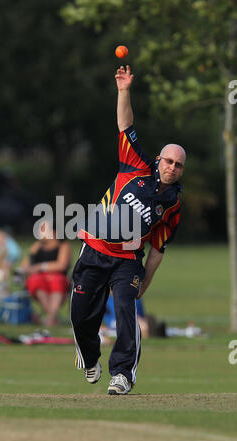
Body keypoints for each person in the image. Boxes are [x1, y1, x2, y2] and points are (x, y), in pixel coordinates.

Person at [70, 65, 185, 395]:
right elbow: (125, 125)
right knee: (80, 317)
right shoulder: (135, 164)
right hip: (94, 249)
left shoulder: (174, 205)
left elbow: (159, 249)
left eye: (178, 165)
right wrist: (123, 91)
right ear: (159, 160)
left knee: (125, 311)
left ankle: (122, 374)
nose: (172, 168)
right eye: (168, 161)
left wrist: (144, 284)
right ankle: (90, 357)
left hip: (128, 260)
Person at [21, 221, 71, 327]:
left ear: (53, 232)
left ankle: (50, 318)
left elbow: (61, 265)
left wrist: (40, 267)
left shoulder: (63, 245)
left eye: (43, 229)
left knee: (56, 281)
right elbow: (25, 266)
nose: (40, 233)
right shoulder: (37, 246)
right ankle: (52, 317)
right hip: (39, 279)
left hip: (58, 277)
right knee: (35, 280)